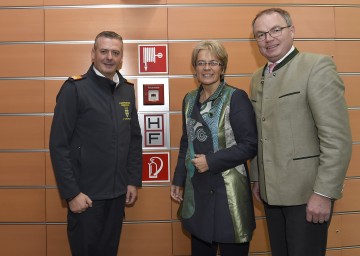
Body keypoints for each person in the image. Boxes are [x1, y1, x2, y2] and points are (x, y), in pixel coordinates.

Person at [249, 8, 352, 256]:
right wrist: (256, 177)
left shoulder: (316, 66)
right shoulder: (257, 77)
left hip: (308, 196)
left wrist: (324, 193)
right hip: (270, 194)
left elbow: (336, 139)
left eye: (276, 30)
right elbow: (259, 132)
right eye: (261, 34)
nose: (268, 38)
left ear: (292, 31)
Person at [49, 31, 142, 256]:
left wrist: (131, 180)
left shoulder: (127, 90)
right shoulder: (75, 89)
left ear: (121, 58)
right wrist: (72, 194)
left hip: (117, 195)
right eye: (104, 51)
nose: (109, 57)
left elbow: (134, 139)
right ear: (93, 54)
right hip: (86, 197)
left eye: (115, 52)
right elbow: (58, 145)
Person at [170, 40, 258, 256]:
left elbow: (250, 145)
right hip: (197, 190)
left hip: (229, 193)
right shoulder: (189, 99)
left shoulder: (236, 98)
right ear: (194, 67)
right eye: (201, 63)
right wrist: (178, 179)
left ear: (222, 67)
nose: (207, 68)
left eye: (213, 62)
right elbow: (186, 142)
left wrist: (210, 161)